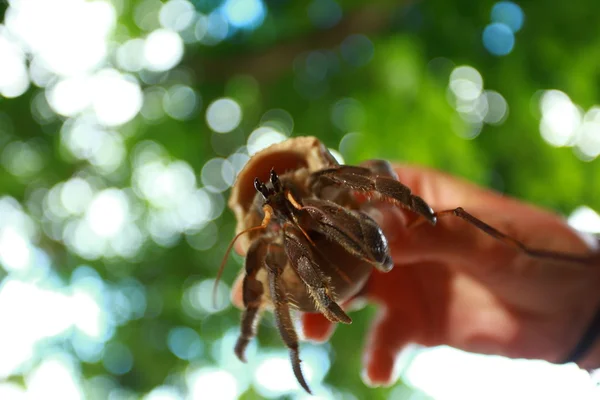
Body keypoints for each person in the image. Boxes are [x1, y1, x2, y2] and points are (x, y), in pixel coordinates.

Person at [232, 165, 600, 386]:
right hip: (576, 336)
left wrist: (588, 299)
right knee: (274, 286)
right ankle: (278, 347)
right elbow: (260, 278)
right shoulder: (272, 240)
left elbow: (369, 176)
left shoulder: (314, 187)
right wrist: (581, 330)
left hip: (331, 211)